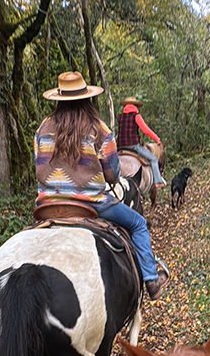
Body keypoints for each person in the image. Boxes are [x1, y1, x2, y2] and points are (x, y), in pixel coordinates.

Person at [34, 71, 169, 300]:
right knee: (137, 223)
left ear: (58, 99)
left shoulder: (43, 128)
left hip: (48, 206)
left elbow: (39, 168)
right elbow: (113, 175)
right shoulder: (98, 128)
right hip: (91, 204)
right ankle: (151, 281)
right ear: (87, 98)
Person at [117, 96, 166, 187]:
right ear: (135, 106)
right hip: (133, 146)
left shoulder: (120, 117)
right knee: (153, 160)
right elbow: (145, 130)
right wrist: (156, 139)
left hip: (120, 147)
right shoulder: (136, 116)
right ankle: (158, 182)